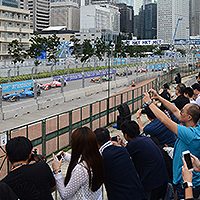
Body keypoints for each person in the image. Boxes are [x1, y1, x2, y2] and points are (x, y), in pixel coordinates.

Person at [143, 89, 200, 199]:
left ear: (189, 117)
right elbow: (174, 110)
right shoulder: (193, 125)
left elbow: (165, 120)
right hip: (189, 180)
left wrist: (149, 103)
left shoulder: (189, 134)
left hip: (186, 182)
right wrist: (159, 98)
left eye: (183, 111)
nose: (180, 112)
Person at [117, 120, 168, 200]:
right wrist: (123, 145)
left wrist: (115, 146)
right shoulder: (144, 138)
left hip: (152, 184)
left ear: (126, 135)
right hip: (162, 180)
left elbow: (121, 156)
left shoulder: (133, 144)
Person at [52, 127, 104, 200]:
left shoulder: (81, 170)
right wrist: (65, 155)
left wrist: (57, 171)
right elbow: (84, 161)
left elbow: (65, 194)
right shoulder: (98, 159)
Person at [94, 128, 146, 200]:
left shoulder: (102, 158)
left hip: (120, 196)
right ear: (110, 138)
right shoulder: (122, 150)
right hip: (138, 193)